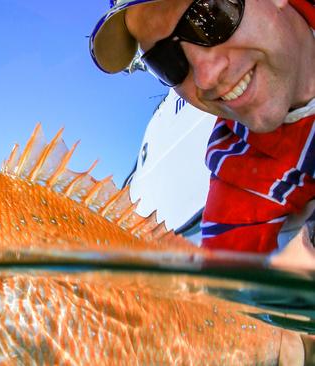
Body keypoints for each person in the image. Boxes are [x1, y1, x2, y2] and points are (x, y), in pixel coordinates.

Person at [89, 0, 315, 257]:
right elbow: (225, 286)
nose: (206, 77)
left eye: (210, 16)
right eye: (168, 62)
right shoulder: (239, 175)